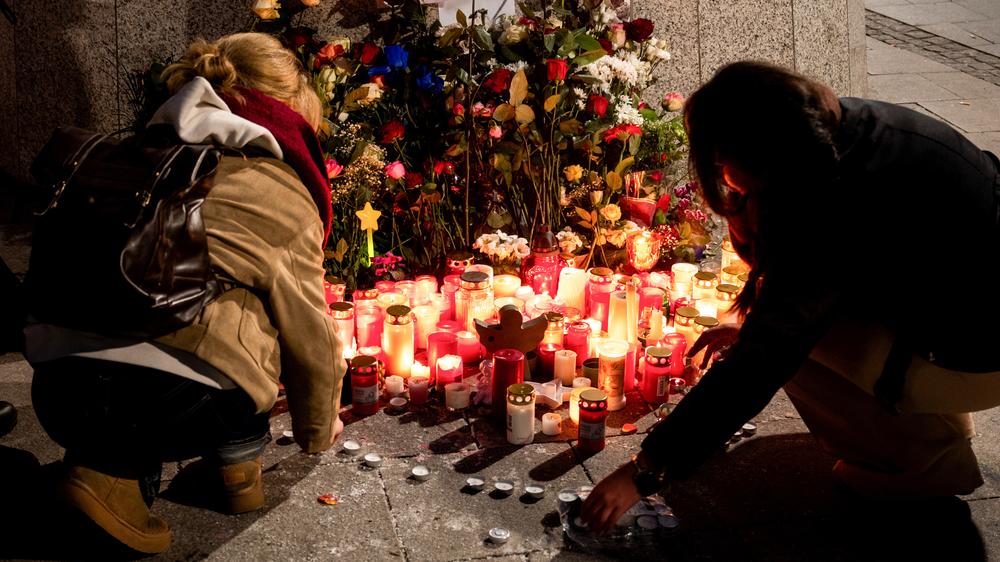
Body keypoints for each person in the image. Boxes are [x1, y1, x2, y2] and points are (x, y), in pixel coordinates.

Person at [582, 60, 1000, 533]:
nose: (723, 176)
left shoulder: (832, 208)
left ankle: (922, 465)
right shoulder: (842, 133)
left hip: (975, 349)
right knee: (778, 327)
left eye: (724, 163)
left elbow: (766, 357)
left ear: (764, 156)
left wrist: (644, 471)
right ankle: (933, 425)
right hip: (961, 305)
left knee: (795, 349)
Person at [24, 33, 345, 554]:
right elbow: (311, 332)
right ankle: (134, 476)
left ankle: (114, 461)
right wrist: (318, 427)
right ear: (287, 111)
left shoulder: (133, 152)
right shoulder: (273, 185)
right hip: (171, 403)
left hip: (55, 391)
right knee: (249, 320)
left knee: (208, 307)